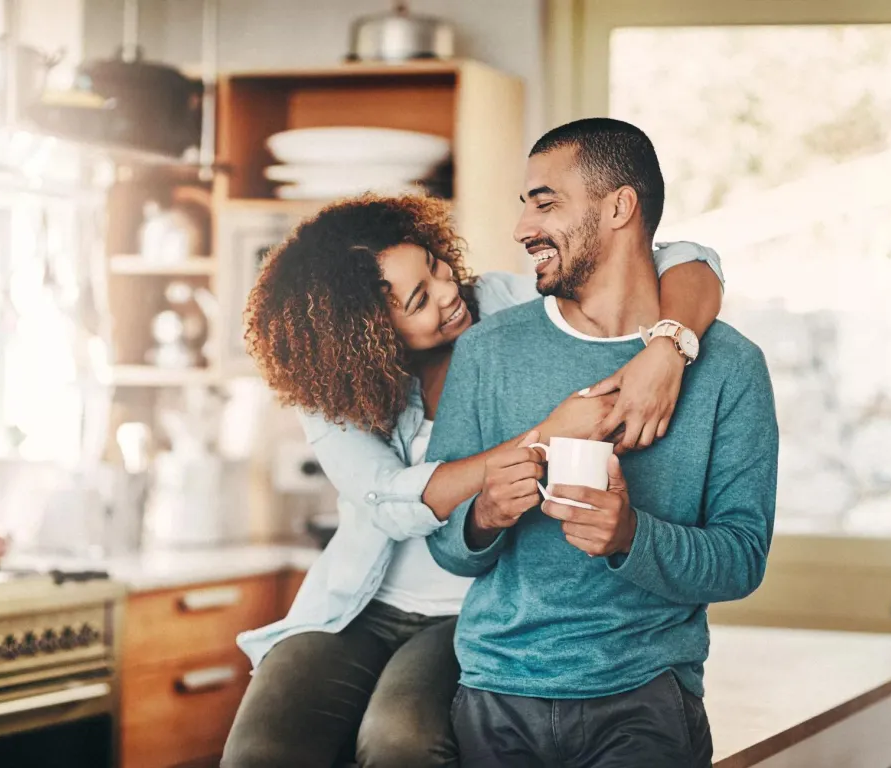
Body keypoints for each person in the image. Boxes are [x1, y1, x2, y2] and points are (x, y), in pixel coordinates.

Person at [222, 192, 725, 768]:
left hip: (476, 605)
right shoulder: (332, 389)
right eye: (418, 300)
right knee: (260, 751)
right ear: (366, 339)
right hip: (357, 605)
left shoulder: (508, 302)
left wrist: (668, 346)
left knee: (400, 740)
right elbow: (390, 499)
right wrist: (544, 435)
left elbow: (690, 259)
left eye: (436, 267)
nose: (448, 295)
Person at [425, 117, 779, 767]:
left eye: (546, 202)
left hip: (646, 698)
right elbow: (447, 546)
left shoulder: (730, 367)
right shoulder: (487, 351)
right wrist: (484, 514)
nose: (521, 229)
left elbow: (741, 560)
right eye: (524, 205)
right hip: (497, 693)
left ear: (619, 206)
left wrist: (629, 538)